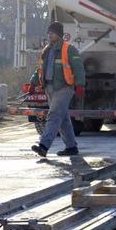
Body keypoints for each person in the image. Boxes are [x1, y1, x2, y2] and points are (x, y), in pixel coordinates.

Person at [28, 21, 86, 157]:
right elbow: (40, 69)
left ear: (59, 35)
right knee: (63, 118)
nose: (49, 35)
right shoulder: (46, 50)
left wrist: (80, 85)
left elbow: (79, 68)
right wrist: (33, 82)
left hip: (64, 87)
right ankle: (71, 147)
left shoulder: (69, 49)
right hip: (49, 88)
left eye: (52, 33)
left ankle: (44, 146)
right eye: (48, 33)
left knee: (54, 115)